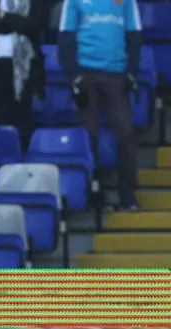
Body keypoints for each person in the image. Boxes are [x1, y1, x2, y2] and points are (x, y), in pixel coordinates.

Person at [58, 0, 142, 211]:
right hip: (86, 75)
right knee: (90, 137)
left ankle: (128, 197)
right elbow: (65, 38)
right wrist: (74, 77)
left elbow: (134, 34)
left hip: (116, 75)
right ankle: (96, 198)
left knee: (126, 133)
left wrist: (132, 71)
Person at [0, 0, 48, 151]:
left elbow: (34, 25)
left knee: (21, 116)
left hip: (24, 68)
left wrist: (3, 17)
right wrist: (17, 22)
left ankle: (22, 155)